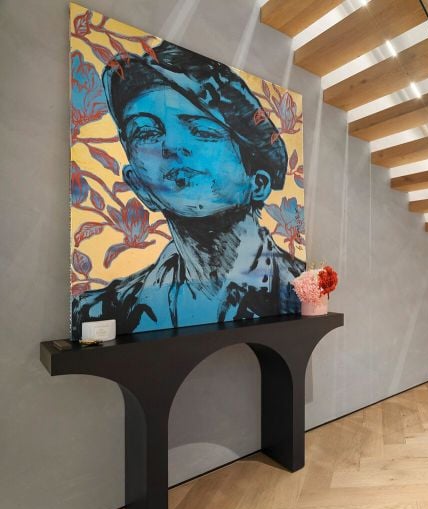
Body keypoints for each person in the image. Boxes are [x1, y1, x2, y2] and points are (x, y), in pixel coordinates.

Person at [71, 41, 304, 338]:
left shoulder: (298, 289)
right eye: (147, 132)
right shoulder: (98, 311)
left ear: (257, 183)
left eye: (202, 130)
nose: (170, 146)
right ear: (139, 186)